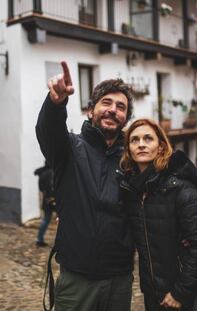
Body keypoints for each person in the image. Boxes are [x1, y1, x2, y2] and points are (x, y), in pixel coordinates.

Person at [36, 61, 135, 311]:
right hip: (77, 279)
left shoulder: (132, 161)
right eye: (107, 103)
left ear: (126, 118)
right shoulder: (69, 148)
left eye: (121, 107)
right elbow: (48, 132)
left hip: (119, 280)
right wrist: (55, 103)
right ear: (91, 111)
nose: (113, 110)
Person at [118, 118, 197, 311]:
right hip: (154, 294)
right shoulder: (131, 192)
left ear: (161, 147)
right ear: (128, 149)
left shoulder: (179, 188)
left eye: (148, 139)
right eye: (135, 140)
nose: (141, 145)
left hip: (186, 294)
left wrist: (180, 293)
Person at [34, 161, 55, 247]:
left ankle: (39, 239)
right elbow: (52, 187)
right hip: (53, 200)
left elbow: (41, 188)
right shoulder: (51, 172)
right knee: (61, 221)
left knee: (46, 220)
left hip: (46, 199)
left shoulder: (42, 173)